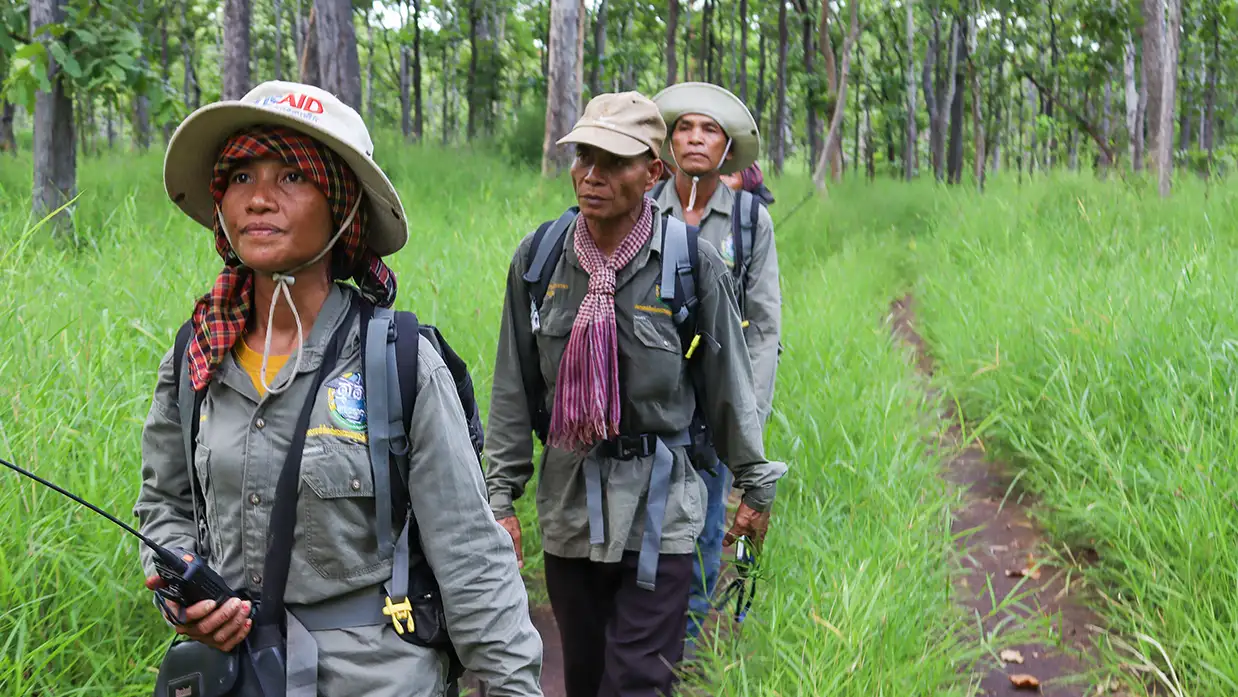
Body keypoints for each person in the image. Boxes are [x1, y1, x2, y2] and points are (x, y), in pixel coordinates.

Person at [133, 81, 543, 697]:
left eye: (291, 178)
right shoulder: (198, 355)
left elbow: (471, 559)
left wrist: (514, 687)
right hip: (236, 678)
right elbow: (164, 504)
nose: (259, 200)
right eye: (241, 177)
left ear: (343, 207)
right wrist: (183, 594)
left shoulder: (400, 362)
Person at [483, 90, 786, 697]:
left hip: (662, 510)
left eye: (614, 162)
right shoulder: (541, 261)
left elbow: (729, 390)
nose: (592, 175)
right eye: (583, 158)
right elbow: (513, 388)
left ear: (653, 173)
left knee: (639, 681)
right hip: (570, 506)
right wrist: (499, 498)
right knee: (587, 676)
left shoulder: (690, 265)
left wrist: (755, 484)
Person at [650, 82, 783, 657]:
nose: (696, 138)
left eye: (709, 130)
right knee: (639, 540)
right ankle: (640, 652)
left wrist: (746, 423)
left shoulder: (750, 222)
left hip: (713, 415)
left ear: (726, 147)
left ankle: (674, 663)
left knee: (702, 541)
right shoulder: (643, 207)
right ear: (670, 142)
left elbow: (765, 326)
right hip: (646, 410)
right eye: (686, 128)